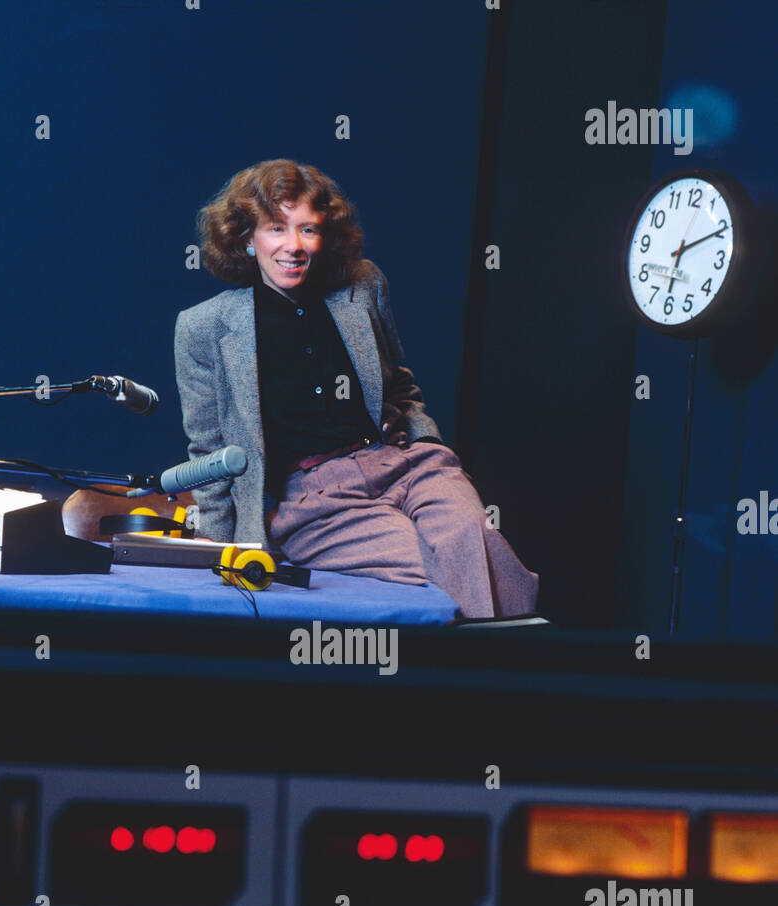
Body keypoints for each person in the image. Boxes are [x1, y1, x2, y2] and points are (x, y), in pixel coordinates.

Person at [174, 158, 538, 618]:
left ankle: (501, 671)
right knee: (458, 561)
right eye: (276, 229)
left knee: (473, 539)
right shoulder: (203, 328)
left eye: (308, 230)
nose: (293, 246)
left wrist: (423, 439)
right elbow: (208, 453)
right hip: (316, 500)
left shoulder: (363, 286)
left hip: (406, 462)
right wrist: (223, 551)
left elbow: (400, 385)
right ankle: (509, 670)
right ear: (247, 238)